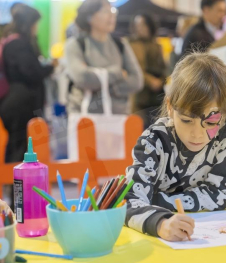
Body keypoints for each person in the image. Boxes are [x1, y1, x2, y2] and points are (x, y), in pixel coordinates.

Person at [124, 52, 226, 241]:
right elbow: (128, 200)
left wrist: (157, 200)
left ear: (224, 113)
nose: (197, 134)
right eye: (187, 120)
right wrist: (161, 223)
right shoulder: (154, 142)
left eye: (211, 123)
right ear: (170, 107)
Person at [65, 0, 143, 115]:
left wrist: (101, 87)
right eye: (106, 11)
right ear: (89, 17)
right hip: (84, 119)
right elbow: (82, 78)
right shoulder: (76, 44)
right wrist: (119, 73)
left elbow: (137, 81)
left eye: (113, 10)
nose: (112, 15)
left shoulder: (120, 44)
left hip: (118, 118)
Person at [0, 5, 56, 163]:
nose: (36, 28)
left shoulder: (12, 41)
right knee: (20, 149)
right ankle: (15, 187)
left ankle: (15, 187)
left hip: (19, 103)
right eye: (35, 24)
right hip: (20, 105)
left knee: (20, 148)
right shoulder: (18, 44)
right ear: (29, 23)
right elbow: (32, 72)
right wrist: (51, 67)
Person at [128, 14, 166, 128]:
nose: (140, 28)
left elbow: (164, 68)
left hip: (156, 96)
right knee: (140, 130)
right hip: (139, 96)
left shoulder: (157, 46)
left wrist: (161, 80)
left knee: (157, 129)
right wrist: (151, 81)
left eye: (143, 24)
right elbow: (134, 68)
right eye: (137, 25)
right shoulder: (131, 45)